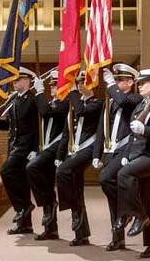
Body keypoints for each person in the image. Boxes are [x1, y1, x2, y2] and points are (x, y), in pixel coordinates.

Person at [116, 69, 150, 258]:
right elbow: (133, 135)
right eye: (139, 83)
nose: (140, 86)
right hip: (140, 155)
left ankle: (137, 215)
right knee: (147, 198)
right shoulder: (141, 106)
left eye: (144, 83)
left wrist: (145, 129)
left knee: (124, 174)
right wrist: (127, 155)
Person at [92, 64, 143, 251]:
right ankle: (118, 238)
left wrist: (111, 85)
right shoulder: (110, 100)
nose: (117, 82)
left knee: (105, 180)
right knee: (111, 197)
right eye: (116, 79)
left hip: (125, 151)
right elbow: (101, 129)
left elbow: (123, 101)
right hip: (109, 152)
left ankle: (127, 212)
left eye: (121, 80)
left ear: (130, 82)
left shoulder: (135, 99)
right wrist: (96, 154)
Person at [0, 68, 39, 235]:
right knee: (21, 183)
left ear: (27, 81)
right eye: (14, 81)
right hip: (14, 146)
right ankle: (25, 225)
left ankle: (22, 207)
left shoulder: (33, 100)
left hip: (25, 147)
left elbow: (37, 127)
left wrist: (35, 148)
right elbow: (12, 125)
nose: (15, 83)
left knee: (5, 172)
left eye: (18, 80)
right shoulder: (15, 100)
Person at [55, 72, 103, 246]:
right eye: (78, 83)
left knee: (63, 172)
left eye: (84, 82)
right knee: (76, 189)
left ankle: (72, 208)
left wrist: (72, 91)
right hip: (73, 151)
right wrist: (60, 155)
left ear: (93, 85)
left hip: (88, 150)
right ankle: (81, 235)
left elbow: (82, 111)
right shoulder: (75, 104)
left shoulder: (98, 103)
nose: (81, 85)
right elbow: (67, 132)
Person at [26, 70, 69, 241]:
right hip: (46, 148)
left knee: (32, 168)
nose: (52, 87)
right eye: (51, 84)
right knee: (47, 185)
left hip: (57, 148)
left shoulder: (65, 103)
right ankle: (51, 229)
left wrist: (38, 92)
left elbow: (45, 112)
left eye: (55, 84)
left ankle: (49, 203)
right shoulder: (51, 102)